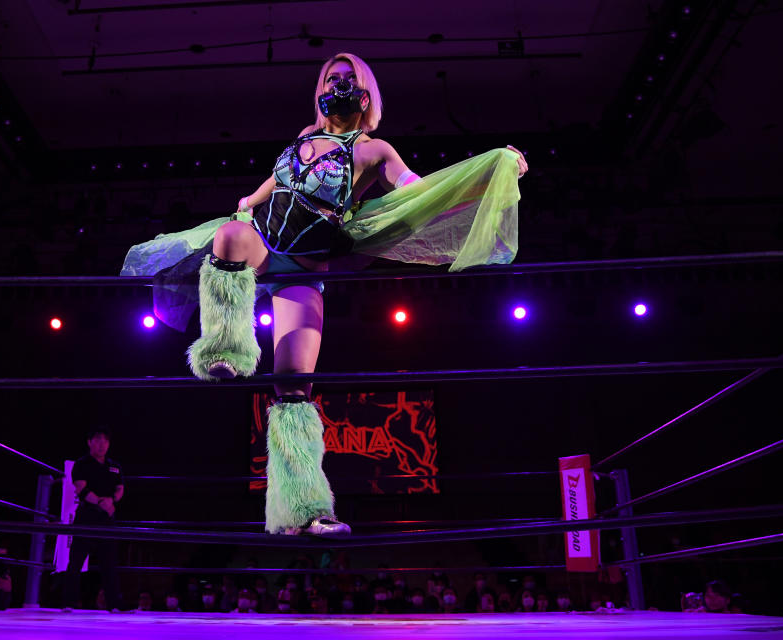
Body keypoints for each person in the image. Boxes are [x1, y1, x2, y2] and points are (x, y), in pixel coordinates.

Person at [121, 52, 526, 538]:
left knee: (292, 389)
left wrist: (487, 173)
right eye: (330, 78)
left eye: (347, 79)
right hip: (265, 245)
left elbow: (417, 191)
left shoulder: (374, 151)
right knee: (229, 236)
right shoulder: (303, 137)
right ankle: (223, 352)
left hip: (303, 272)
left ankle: (303, 510)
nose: (337, 85)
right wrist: (251, 200)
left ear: (366, 92)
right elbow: (280, 181)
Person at [63, 428, 124, 612]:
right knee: (76, 560)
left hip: (107, 518)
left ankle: (114, 605)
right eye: (98, 440)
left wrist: (111, 500)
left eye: (105, 441)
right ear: (89, 442)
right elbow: (80, 488)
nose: (101, 444)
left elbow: (120, 488)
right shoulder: (81, 464)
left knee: (109, 562)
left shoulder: (114, 466)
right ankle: (68, 603)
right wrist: (99, 501)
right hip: (87, 515)